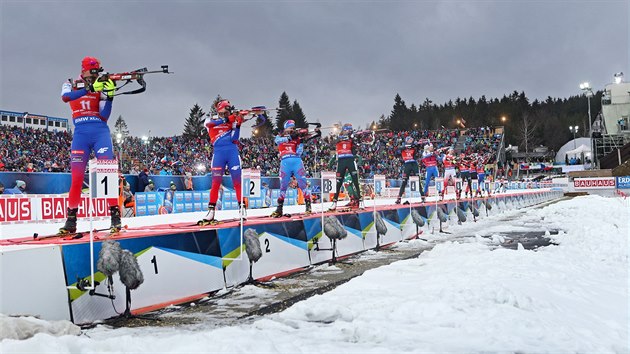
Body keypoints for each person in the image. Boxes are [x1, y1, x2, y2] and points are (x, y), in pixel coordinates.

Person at [58, 56, 120, 235]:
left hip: (100, 132)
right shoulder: (70, 83)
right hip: (81, 135)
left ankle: (115, 217)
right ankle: (71, 221)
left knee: (107, 173)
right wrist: (89, 88)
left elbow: (104, 115)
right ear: (84, 71)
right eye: (92, 73)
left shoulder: (100, 85)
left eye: (97, 73)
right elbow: (66, 97)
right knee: (76, 178)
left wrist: (109, 97)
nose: (94, 76)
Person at [198, 100, 247, 225]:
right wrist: (227, 119)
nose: (227, 112)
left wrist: (238, 124)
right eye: (226, 109)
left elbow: (234, 139)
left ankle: (242, 208)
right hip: (218, 154)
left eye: (229, 110)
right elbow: (208, 124)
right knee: (215, 183)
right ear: (220, 109)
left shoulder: (231, 122)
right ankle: (211, 211)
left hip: (232, 153)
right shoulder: (211, 120)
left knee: (237, 182)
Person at [270, 120, 320, 217]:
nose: (292, 129)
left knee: (302, 183)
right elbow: (277, 141)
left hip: (296, 161)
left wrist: (314, 134)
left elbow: (300, 149)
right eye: (290, 127)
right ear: (285, 128)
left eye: (293, 127)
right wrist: (290, 137)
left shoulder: (296, 137)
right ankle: (279, 209)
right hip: (285, 162)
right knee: (283, 186)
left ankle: (308, 207)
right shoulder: (279, 136)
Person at [329, 123, 363, 211]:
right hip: (341, 161)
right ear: (343, 130)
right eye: (347, 130)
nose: (349, 131)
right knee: (338, 182)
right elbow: (332, 142)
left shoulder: (351, 138)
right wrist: (342, 138)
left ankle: (360, 200)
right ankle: (334, 202)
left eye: (350, 130)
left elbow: (357, 146)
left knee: (355, 181)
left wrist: (356, 138)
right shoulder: (338, 137)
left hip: (350, 160)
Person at [395, 136, 422, 204]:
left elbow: (417, 152)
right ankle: (399, 198)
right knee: (404, 181)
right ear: (407, 140)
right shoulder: (403, 147)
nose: (411, 141)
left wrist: (416, 146)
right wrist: (407, 146)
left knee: (418, 179)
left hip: (414, 163)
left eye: (412, 140)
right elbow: (398, 151)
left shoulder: (414, 146)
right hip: (407, 164)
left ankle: (423, 196)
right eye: (410, 140)